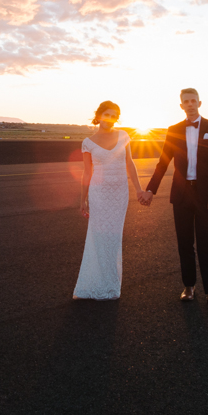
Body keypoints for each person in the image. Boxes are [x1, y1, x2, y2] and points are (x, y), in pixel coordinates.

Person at [139, 88, 208, 310]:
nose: (190, 104)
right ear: (181, 106)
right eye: (185, 102)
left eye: (193, 101)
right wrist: (151, 190)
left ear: (199, 103)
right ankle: (188, 287)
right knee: (184, 244)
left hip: (205, 196)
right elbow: (163, 162)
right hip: (181, 195)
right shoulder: (173, 130)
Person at [73, 101, 145, 300]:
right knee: (98, 237)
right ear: (98, 115)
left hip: (119, 193)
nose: (110, 118)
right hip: (99, 193)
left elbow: (130, 164)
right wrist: (83, 199)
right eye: (106, 114)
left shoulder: (123, 136)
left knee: (113, 238)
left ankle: (111, 284)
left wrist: (139, 189)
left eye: (114, 115)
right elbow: (87, 172)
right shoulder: (88, 142)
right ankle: (91, 284)